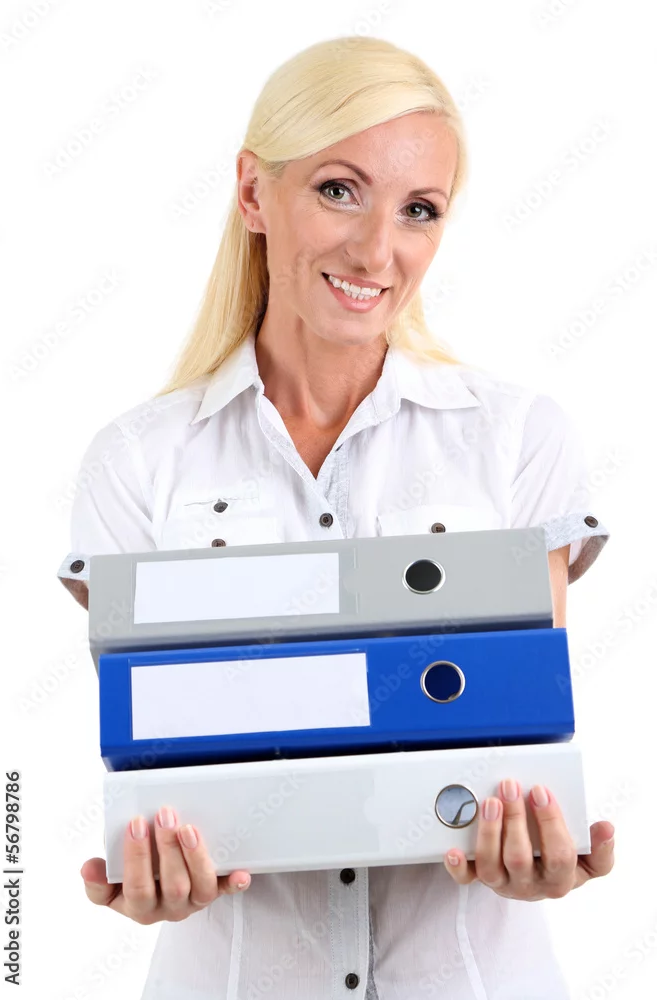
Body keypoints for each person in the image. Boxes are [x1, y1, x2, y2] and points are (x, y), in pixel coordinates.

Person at [57, 35, 615, 1000]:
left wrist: (540, 850)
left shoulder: (518, 439)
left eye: (418, 210)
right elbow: (151, 756)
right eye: (339, 190)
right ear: (252, 192)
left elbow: (525, 739)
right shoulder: (137, 461)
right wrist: (151, 872)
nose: (375, 251)